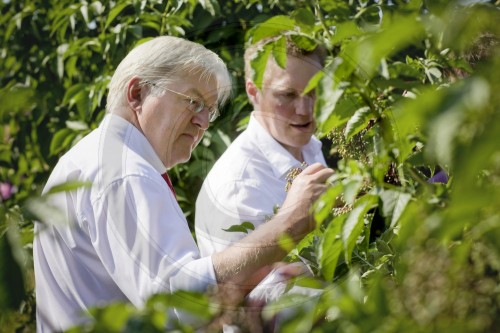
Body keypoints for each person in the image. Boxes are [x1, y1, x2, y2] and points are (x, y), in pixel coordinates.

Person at [33, 36, 333, 332]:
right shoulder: (125, 173)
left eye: (210, 110)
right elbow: (175, 304)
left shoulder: (100, 159)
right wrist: (288, 224)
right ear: (137, 93)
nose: (203, 121)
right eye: (193, 102)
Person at [195, 35, 328, 258]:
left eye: (314, 91)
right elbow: (256, 290)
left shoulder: (309, 148)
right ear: (253, 91)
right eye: (287, 95)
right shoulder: (239, 187)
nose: (305, 110)